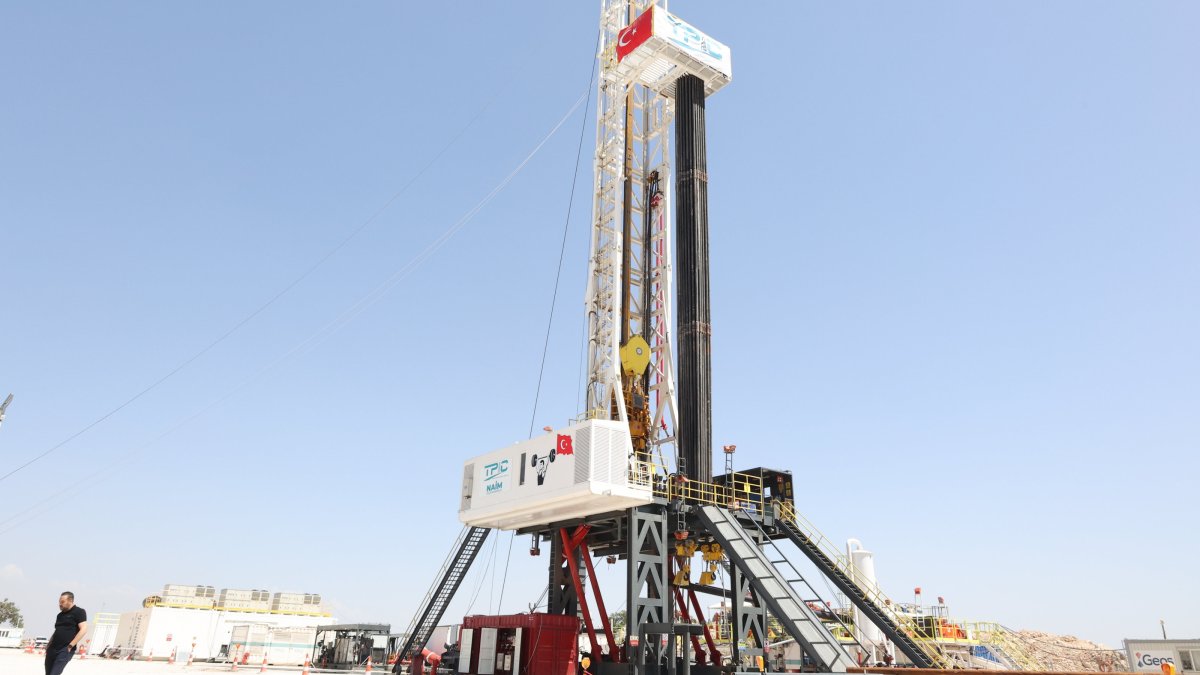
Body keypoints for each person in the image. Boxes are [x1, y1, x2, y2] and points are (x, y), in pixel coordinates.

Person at [46, 592, 87, 675]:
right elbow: (57, 631)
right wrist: (48, 645)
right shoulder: (60, 615)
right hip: (52, 648)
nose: (60, 604)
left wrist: (70, 645)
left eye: (62, 602)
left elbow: (83, 629)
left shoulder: (79, 612)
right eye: (59, 602)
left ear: (70, 600)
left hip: (65, 649)